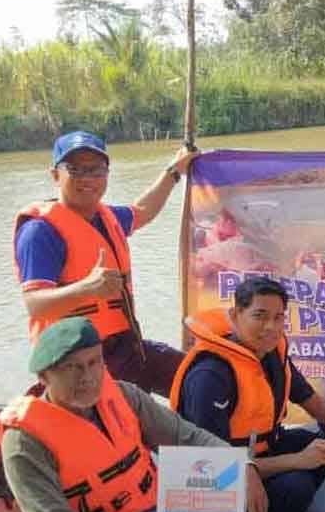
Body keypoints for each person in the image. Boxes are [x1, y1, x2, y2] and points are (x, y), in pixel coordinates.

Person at [0, 317, 269, 512]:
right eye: (72, 368)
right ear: (44, 377)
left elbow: (187, 436)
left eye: (95, 362)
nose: (88, 377)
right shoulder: (23, 440)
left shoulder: (125, 396)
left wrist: (243, 464)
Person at [14, 131, 196, 396]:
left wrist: (174, 171)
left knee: (197, 376)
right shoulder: (40, 232)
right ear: (55, 175)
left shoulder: (106, 217)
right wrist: (86, 288)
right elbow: (34, 304)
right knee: (126, 425)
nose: (87, 179)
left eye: (96, 170)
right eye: (75, 170)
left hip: (125, 349)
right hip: (77, 362)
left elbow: (142, 212)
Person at [170, 276, 325, 512]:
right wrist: (298, 460)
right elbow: (211, 464)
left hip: (261, 451)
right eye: (259, 316)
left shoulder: (271, 352)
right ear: (235, 315)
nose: (270, 327)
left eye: (278, 317)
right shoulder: (210, 374)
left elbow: (309, 399)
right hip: (211, 475)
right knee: (296, 485)